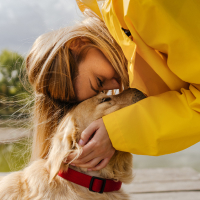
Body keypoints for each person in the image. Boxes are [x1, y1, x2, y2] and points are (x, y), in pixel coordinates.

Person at [26, 0, 200, 172]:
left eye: (100, 81)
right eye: (104, 90)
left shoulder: (140, 6)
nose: (116, 85)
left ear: (78, 43)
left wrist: (118, 131)